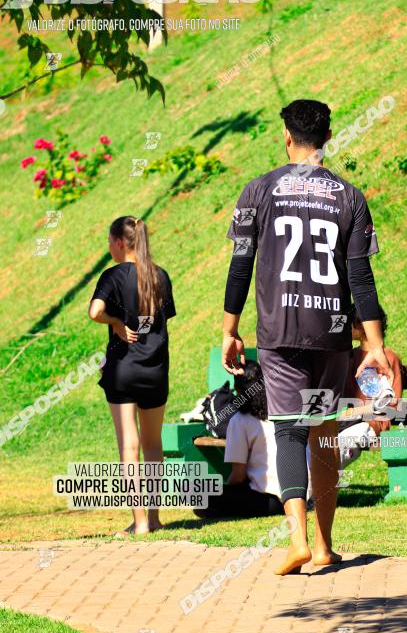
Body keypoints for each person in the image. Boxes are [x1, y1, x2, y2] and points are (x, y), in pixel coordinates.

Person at [222, 98, 391, 575]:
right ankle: (323, 545)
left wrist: (229, 329)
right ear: (328, 138)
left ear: (287, 137)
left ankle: (296, 539)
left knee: (288, 431)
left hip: (280, 332)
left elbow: (241, 266)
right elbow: (362, 277)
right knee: (322, 431)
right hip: (331, 332)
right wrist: (374, 346)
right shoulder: (349, 197)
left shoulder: (258, 191)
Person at [88, 216, 176, 535]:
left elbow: (95, 312)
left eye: (110, 242)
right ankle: (153, 518)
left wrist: (114, 322)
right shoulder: (160, 276)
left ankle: (139, 523)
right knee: (153, 444)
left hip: (124, 368)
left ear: (121, 243)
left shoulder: (112, 275)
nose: (109, 247)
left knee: (129, 444)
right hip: (155, 369)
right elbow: (163, 322)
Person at [196, 362, 311, 518]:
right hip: (303, 494)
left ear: (238, 392)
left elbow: (238, 476)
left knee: (199, 493)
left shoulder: (240, 420)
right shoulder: (283, 409)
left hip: (270, 500)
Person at [337, 306, 403, 466]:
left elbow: (390, 405)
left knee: (340, 445)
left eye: (350, 322)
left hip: (373, 423)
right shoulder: (348, 357)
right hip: (345, 421)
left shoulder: (388, 358)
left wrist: (352, 412)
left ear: (362, 325)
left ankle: (318, 488)